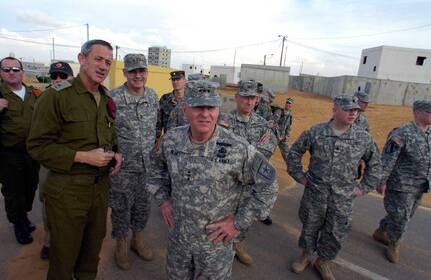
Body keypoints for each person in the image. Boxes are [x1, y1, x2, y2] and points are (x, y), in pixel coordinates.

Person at [147, 80, 278, 280]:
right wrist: (163, 200)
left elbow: (269, 186)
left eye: (211, 107)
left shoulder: (237, 148)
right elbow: (155, 167)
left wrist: (238, 223)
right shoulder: (171, 139)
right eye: (198, 107)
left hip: (214, 249)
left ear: (218, 110)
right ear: (185, 108)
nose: (205, 114)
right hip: (179, 241)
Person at [27, 39, 122, 280]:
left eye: (108, 62)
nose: (103, 66)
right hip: (67, 193)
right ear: (82, 59)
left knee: (91, 256)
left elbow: (109, 134)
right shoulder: (56, 97)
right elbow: (37, 146)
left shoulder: (104, 97)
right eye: (98, 59)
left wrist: (116, 152)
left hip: (99, 192)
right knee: (63, 259)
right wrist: (83, 157)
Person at [287, 94, 381, 280]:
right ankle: (305, 255)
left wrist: (362, 188)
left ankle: (323, 261)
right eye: (348, 109)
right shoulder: (316, 132)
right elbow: (295, 152)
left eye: (356, 110)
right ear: (335, 110)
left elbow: (376, 165)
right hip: (315, 193)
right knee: (310, 226)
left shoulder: (363, 138)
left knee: (336, 231)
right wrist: (300, 176)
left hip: (343, 198)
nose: (353, 113)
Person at [218, 80, 277, 265]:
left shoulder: (262, 123)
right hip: (228, 182)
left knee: (244, 215)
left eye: (253, 98)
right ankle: (220, 249)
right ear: (237, 97)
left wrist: (241, 146)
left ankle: (238, 245)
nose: (249, 102)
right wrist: (255, 147)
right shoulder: (224, 122)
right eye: (245, 97)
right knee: (221, 216)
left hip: (250, 183)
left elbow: (269, 149)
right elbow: (220, 150)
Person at [109, 53, 159, 270]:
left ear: (147, 72)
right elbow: (105, 130)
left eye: (142, 71)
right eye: (133, 71)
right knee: (121, 208)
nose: (138, 75)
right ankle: (120, 245)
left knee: (143, 207)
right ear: (125, 73)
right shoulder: (113, 97)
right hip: (123, 168)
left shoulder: (153, 96)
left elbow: (157, 127)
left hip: (147, 166)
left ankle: (137, 240)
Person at [372, 99, 431, 264]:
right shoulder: (402, 133)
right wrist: (382, 181)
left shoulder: (429, 133)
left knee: (407, 214)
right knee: (401, 216)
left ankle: (382, 230)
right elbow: (388, 159)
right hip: (401, 184)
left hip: (421, 184)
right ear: (418, 112)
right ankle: (394, 243)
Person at [0, 56, 41, 245]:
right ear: (1, 72)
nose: (11, 72)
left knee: (30, 187)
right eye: (7, 69)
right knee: (13, 191)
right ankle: (18, 223)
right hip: (9, 153)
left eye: (15, 69)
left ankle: (23, 216)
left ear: (22, 72)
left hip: (32, 152)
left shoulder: (35, 93)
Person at [38, 61, 75, 260]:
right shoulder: (44, 98)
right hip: (50, 161)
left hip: (76, 160)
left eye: (63, 76)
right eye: (54, 76)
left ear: (71, 78)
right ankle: (49, 242)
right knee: (48, 202)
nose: (58, 80)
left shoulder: (81, 98)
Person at [273, 97, 294, 165]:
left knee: (287, 152)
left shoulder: (290, 115)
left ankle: (291, 167)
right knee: (268, 150)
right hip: (274, 136)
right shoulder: (279, 111)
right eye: (287, 103)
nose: (288, 104)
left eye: (289, 103)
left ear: (292, 105)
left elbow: (288, 127)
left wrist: (287, 136)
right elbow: (274, 124)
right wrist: (278, 136)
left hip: (282, 138)